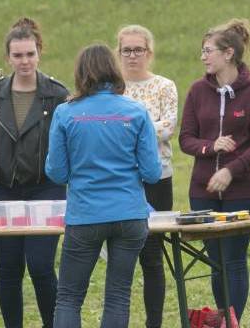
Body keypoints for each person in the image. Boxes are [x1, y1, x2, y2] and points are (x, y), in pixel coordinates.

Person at [45, 44, 161, 328]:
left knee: (69, 297)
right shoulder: (136, 111)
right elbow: (152, 172)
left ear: (81, 73)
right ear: (114, 69)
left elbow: (57, 173)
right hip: (130, 214)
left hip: (85, 215)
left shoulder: (65, 113)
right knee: (118, 296)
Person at [178, 18, 250, 321]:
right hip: (202, 191)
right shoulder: (196, 91)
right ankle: (224, 318)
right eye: (202, 51)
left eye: (208, 51)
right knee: (215, 260)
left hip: (241, 192)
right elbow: (186, 139)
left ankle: (233, 321)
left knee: (233, 260)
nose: (203, 57)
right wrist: (210, 147)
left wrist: (230, 171)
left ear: (228, 53)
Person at [0, 17, 69, 328]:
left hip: (45, 187)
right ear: (8, 57)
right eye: (18, 55)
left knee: (40, 264)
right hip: (2, 188)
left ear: (40, 53)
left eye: (30, 54)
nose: (24, 61)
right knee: (8, 269)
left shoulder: (57, 94)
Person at [116, 24, 178, 328]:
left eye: (138, 49)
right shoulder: (113, 88)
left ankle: (154, 322)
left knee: (153, 255)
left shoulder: (165, 86)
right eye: (126, 49)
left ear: (149, 52)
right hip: (120, 179)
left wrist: (128, 128)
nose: (132, 56)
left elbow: (168, 127)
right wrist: (142, 129)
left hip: (157, 177)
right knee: (122, 257)